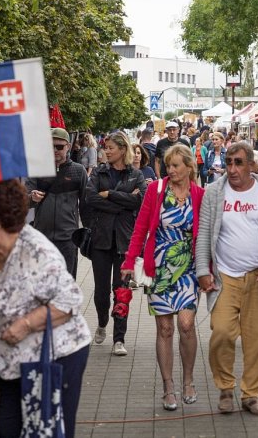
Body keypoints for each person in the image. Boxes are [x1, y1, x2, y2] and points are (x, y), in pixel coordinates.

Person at [0, 180, 91, 438]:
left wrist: (25, 324)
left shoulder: (36, 252)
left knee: (46, 428)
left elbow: (70, 301)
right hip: (13, 360)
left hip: (56, 356)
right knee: (7, 426)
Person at [196, 142, 258, 416]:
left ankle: (251, 395)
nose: (232, 168)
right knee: (222, 333)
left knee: (255, 340)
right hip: (224, 278)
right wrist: (203, 271)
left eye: (238, 162)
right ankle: (225, 388)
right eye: (229, 162)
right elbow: (203, 235)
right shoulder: (214, 192)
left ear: (251, 165)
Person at [121, 145, 205, 411]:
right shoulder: (157, 191)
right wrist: (128, 260)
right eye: (168, 166)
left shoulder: (201, 195)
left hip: (189, 268)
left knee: (187, 324)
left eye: (176, 166)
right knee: (165, 329)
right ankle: (169, 386)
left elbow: (208, 234)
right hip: (158, 267)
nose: (171, 171)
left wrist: (209, 268)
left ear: (189, 167)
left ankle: (188, 380)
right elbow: (141, 228)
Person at [85, 131, 146, 356]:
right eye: (105, 148)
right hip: (101, 240)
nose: (106, 151)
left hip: (124, 241)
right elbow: (90, 198)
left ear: (122, 149)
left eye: (110, 148)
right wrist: (124, 203)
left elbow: (141, 201)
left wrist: (109, 194)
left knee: (121, 291)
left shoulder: (136, 174)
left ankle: (119, 339)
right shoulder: (99, 172)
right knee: (101, 292)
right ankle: (102, 321)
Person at [26, 128, 88, 278]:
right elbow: (24, 201)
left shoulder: (78, 171)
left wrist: (87, 233)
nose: (55, 150)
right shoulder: (38, 169)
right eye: (51, 146)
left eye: (59, 146)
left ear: (68, 146)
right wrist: (31, 198)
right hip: (42, 237)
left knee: (66, 285)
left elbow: (86, 204)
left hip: (68, 238)